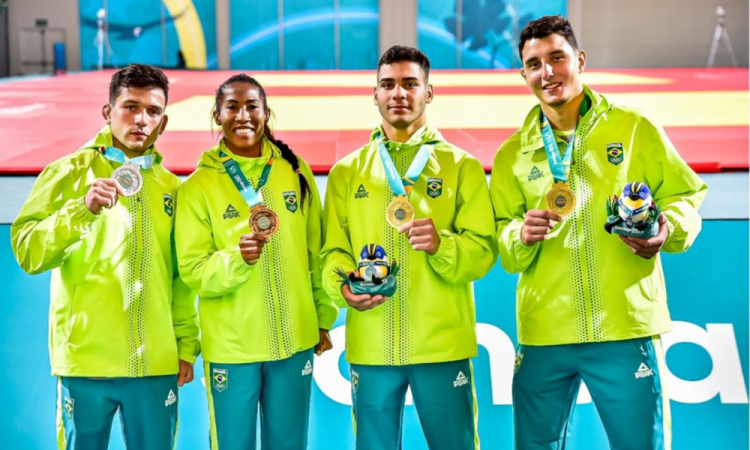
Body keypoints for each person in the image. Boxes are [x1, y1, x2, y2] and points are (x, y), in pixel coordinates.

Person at [490, 15, 708, 450]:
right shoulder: (512, 154)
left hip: (624, 327)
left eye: (557, 58)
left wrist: (666, 229)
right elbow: (503, 243)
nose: (547, 72)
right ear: (523, 74)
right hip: (545, 332)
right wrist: (520, 235)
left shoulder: (633, 128)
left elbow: (687, 195)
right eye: (534, 64)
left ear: (580, 60)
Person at [10, 63, 200, 450]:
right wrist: (81, 209)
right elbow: (28, 251)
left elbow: (179, 279)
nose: (141, 120)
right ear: (107, 112)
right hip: (86, 364)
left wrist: (184, 346)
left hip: (155, 364)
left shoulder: (172, 188)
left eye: (153, 111)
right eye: (130, 107)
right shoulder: (66, 173)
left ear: (163, 123)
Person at [320, 45, 497, 450]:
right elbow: (332, 253)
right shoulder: (347, 172)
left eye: (409, 84)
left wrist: (442, 245)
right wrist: (343, 288)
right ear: (376, 95)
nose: (398, 93)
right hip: (372, 345)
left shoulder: (461, 166)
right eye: (388, 84)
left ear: (428, 93)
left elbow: (484, 250)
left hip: (442, 345)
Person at [175, 73, 337, 450]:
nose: (243, 115)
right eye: (232, 106)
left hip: (295, 341)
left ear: (267, 112)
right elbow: (193, 271)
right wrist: (237, 259)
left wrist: (322, 318)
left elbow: (316, 252)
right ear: (217, 115)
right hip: (233, 349)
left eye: (252, 106)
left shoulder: (294, 170)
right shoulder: (198, 187)